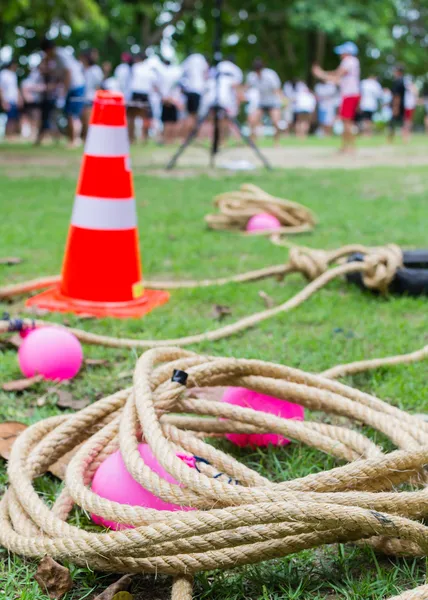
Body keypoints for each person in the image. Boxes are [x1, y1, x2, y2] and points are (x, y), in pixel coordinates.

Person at [312, 41, 360, 153]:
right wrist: (323, 74)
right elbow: (337, 78)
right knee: (346, 121)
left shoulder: (349, 61)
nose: (340, 54)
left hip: (349, 94)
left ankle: (350, 147)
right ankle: (346, 146)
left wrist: (321, 74)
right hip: (350, 94)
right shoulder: (353, 62)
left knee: (347, 121)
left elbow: (337, 74)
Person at [40, 38, 85, 146]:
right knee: (69, 114)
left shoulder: (60, 55)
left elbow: (68, 72)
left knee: (72, 114)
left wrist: (64, 91)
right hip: (73, 87)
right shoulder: (57, 57)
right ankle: (72, 139)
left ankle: (75, 140)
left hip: (76, 87)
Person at [246, 58, 282, 143]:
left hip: (273, 102)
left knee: (276, 122)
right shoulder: (252, 76)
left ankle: (276, 142)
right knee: (252, 121)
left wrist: (282, 100)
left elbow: (277, 89)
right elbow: (247, 87)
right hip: (261, 102)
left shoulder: (270, 75)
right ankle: (252, 141)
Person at [127, 53, 158, 142]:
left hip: (136, 92)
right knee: (146, 116)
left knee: (131, 116)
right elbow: (154, 84)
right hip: (145, 94)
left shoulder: (135, 67)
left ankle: (131, 137)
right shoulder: (150, 69)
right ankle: (144, 138)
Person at [180, 52, 208, 133]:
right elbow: (205, 74)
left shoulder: (188, 60)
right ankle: (191, 136)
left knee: (189, 115)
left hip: (189, 90)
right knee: (194, 115)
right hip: (198, 90)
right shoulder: (202, 60)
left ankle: (186, 137)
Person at [157, 59, 183, 144]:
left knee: (167, 121)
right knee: (171, 121)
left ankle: (166, 139)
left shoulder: (163, 73)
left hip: (167, 100)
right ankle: (170, 139)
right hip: (173, 100)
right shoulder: (176, 73)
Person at [80, 50, 103, 139]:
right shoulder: (82, 69)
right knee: (84, 120)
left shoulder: (95, 70)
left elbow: (98, 85)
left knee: (89, 120)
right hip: (83, 97)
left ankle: (90, 139)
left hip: (91, 98)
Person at [0, 60, 22, 138]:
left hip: (14, 99)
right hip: (7, 99)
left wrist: (19, 99)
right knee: (9, 118)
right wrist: (3, 101)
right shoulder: (4, 74)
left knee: (14, 117)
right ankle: (8, 135)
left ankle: (12, 134)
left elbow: (16, 88)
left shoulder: (13, 74)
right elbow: (1, 88)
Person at [388, 64, 406, 142]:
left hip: (397, 105)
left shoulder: (398, 81)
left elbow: (397, 96)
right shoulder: (402, 81)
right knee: (401, 122)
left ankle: (391, 139)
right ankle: (404, 138)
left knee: (393, 123)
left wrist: (395, 107)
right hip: (401, 105)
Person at [403, 76, 418, 142]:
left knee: (409, 121)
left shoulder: (412, 87)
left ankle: (408, 133)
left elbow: (416, 94)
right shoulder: (404, 87)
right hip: (406, 106)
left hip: (410, 106)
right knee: (406, 121)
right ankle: (405, 133)